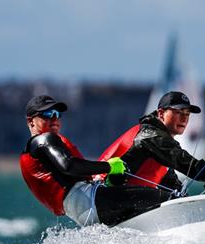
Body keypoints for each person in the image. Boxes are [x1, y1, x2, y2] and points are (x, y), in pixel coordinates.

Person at [19, 94, 171, 226]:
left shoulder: (33, 154)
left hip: (83, 213)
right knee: (164, 198)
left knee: (140, 213)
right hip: (92, 201)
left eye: (57, 114)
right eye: (47, 114)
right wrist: (108, 167)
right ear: (31, 121)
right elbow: (69, 165)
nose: (54, 118)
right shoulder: (43, 140)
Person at [101, 91, 205, 192]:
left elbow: (173, 187)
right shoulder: (154, 138)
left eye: (187, 114)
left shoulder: (160, 143)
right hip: (110, 200)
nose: (184, 118)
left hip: (122, 201)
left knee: (173, 194)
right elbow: (195, 169)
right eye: (179, 112)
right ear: (161, 113)